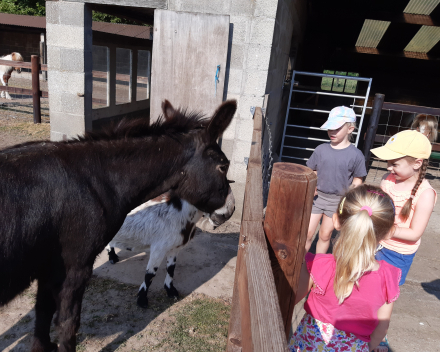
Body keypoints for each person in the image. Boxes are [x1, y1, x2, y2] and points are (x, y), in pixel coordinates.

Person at [289, 185, 401, 352]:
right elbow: (382, 327)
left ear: (336, 221)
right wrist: (367, 347)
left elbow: (288, 303)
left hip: (309, 345)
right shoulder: (388, 277)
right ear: (390, 232)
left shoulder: (318, 265)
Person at [371, 130, 437, 286]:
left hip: (397, 253)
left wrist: (384, 229)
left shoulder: (425, 194)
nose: (388, 168)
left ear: (417, 163)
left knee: (387, 294)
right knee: (368, 289)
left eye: (394, 164)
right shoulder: (388, 180)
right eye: (388, 163)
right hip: (374, 244)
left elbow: (414, 233)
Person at [305, 106, 367, 253]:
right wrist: (311, 185)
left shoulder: (356, 155)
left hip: (337, 201)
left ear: (350, 129)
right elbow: (312, 170)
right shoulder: (321, 149)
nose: (332, 132)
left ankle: (319, 266)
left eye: (336, 128)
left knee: (325, 235)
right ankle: (300, 263)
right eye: (330, 128)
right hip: (317, 198)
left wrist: (349, 198)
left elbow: (358, 180)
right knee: (307, 233)